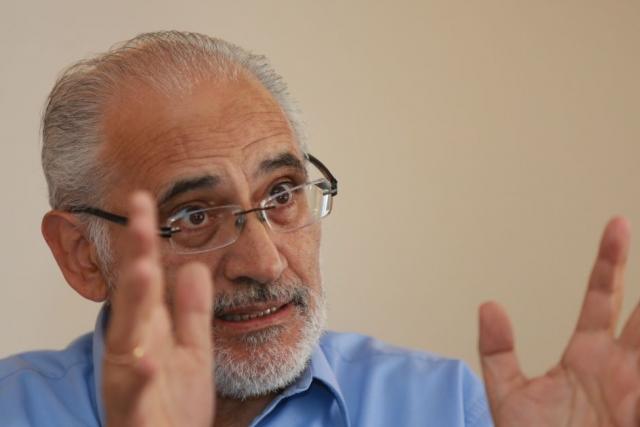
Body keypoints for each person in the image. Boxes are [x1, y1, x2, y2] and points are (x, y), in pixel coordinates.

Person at [0, 31, 637, 427]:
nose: (265, 262)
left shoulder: (443, 406)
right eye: (194, 216)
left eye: (281, 194)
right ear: (83, 255)